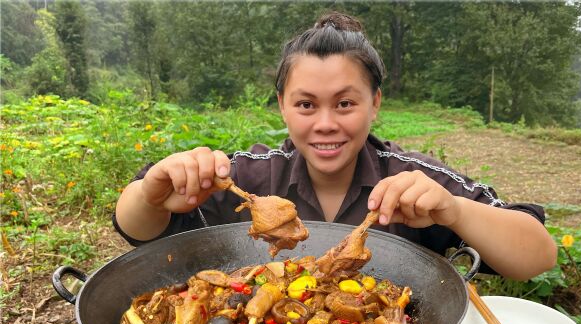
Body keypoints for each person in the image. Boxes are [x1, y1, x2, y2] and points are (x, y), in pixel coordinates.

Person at [114, 12, 556, 281]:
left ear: (375, 104)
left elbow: (537, 254)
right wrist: (151, 193)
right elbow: (137, 229)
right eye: (306, 104)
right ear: (283, 107)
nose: (326, 124)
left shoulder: (413, 180)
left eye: (345, 103)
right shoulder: (247, 175)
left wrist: (455, 211)